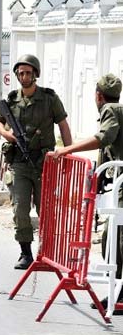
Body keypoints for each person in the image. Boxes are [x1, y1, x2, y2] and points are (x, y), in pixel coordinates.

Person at [52, 74, 123, 313]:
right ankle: (118, 292)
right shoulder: (119, 108)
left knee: (117, 238)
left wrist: (67, 149)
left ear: (98, 95)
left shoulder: (110, 111)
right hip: (118, 183)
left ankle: (120, 294)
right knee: (111, 238)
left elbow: (105, 138)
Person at [0, 54, 73, 270]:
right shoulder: (11, 100)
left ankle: (46, 252)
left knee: (45, 210)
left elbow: (63, 125)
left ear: (35, 74)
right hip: (19, 163)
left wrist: (68, 153)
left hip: (44, 163)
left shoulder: (49, 99)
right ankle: (25, 253)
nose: (24, 76)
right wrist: (7, 135)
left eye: (28, 72)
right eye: (21, 72)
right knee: (20, 208)